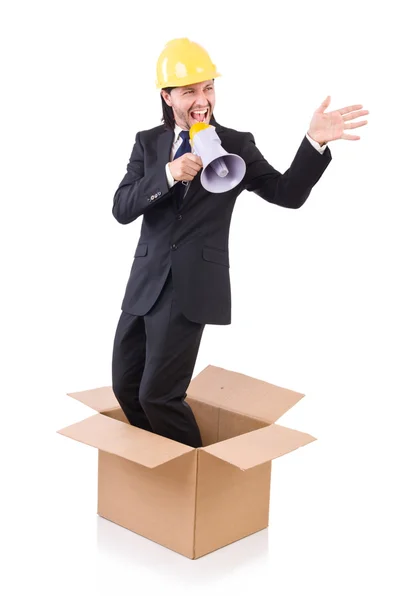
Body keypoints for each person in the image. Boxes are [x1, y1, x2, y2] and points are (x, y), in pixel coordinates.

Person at [111, 38, 369, 448]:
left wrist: (314, 142)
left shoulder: (236, 145)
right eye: (190, 91)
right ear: (167, 96)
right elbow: (122, 208)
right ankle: (156, 469)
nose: (202, 100)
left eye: (208, 87)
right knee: (126, 389)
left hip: (191, 286)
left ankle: (196, 477)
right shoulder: (148, 143)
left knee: (158, 395)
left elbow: (287, 193)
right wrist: (167, 174)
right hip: (144, 284)